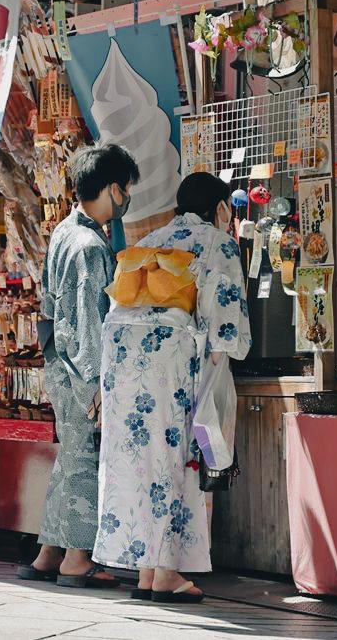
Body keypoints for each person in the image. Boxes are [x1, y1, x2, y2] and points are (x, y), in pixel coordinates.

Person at [93, 172, 251, 603]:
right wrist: (217, 371)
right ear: (219, 208)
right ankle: (165, 573)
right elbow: (225, 324)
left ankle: (146, 569)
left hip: (125, 360)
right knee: (176, 460)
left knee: (139, 460)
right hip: (174, 360)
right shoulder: (220, 243)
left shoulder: (155, 236)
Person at [16, 144, 139, 588]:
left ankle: (49, 551)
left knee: (69, 458)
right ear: (112, 188)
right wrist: (97, 386)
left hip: (58, 361)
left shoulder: (66, 231)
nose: (126, 198)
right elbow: (90, 322)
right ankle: (76, 558)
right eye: (125, 189)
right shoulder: (90, 244)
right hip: (79, 367)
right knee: (84, 458)